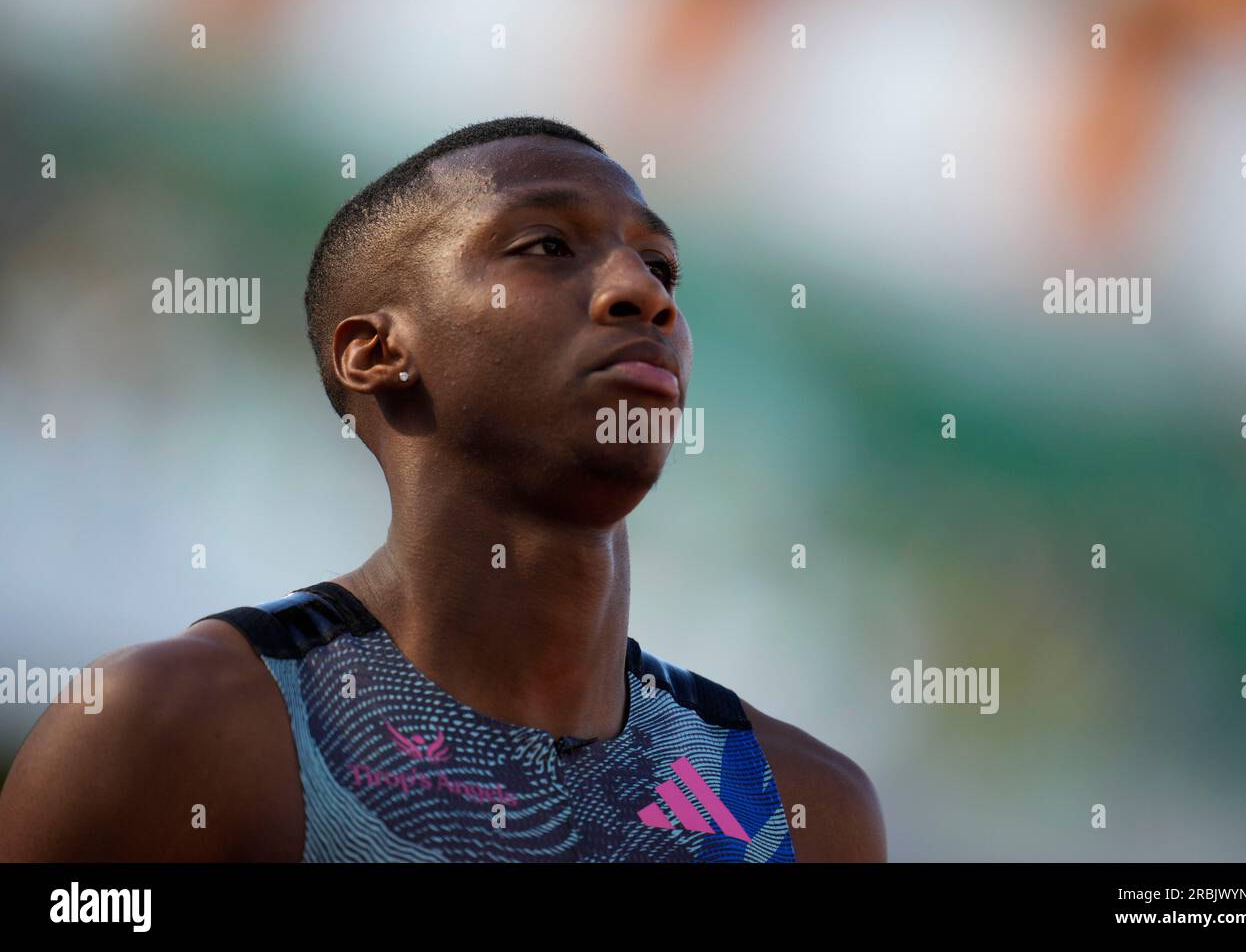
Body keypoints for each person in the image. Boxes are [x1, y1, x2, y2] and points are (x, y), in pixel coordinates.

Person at [0, 116, 885, 862]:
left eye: (661, 268)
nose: (640, 294)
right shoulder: (175, 730)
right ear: (377, 352)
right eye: (546, 246)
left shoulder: (804, 813)